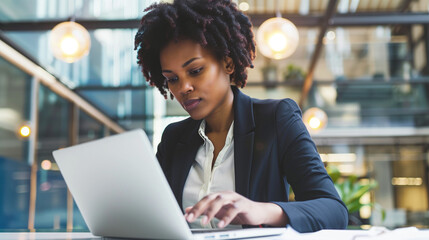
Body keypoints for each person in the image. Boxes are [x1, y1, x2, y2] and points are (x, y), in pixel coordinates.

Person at [134, 0, 348, 233]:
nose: (183, 87)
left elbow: (333, 210)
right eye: (172, 78)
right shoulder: (174, 138)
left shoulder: (276, 119)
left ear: (228, 63)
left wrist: (259, 210)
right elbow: (153, 214)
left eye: (195, 71)